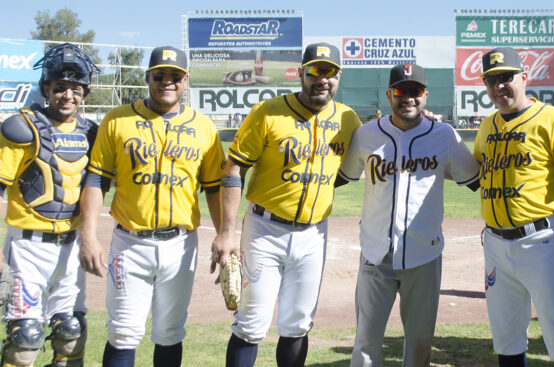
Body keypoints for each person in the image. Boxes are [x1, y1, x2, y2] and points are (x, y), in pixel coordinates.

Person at [209, 42, 361, 367]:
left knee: (298, 324)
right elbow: (234, 168)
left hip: (313, 235)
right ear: (302, 73)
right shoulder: (268, 112)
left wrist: (425, 118)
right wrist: (227, 232)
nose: (323, 78)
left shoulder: (348, 119)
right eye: (316, 70)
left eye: (330, 71)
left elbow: (358, 163)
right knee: (250, 324)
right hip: (264, 230)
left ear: (338, 76)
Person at [78, 46, 224, 367]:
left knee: (170, 332)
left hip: (180, 244)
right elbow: (96, 180)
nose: (167, 82)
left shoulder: (203, 126)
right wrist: (88, 236)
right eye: (159, 75)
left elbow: (214, 188)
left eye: (175, 76)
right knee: (123, 333)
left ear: (185, 80)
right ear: (148, 77)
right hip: (129, 243)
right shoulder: (118, 119)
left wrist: (225, 234)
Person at [337, 63, 480, 366]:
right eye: (402, 91)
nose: (409, 98)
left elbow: (474, 178)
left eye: (415, 91)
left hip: (423, 256)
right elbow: (344, 175)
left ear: (425, 95)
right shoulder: (366, 135)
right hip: (375, 253)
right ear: (389, 94)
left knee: (420, 342)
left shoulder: (444, 135)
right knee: (365, 342)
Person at [473, 46, 554, 366]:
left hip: (541, 241)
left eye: (506, 77)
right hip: (495, 243)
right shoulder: (488, 125)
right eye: (491, 80)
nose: (499, 85)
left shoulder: (552, 120)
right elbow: (473, 172)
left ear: (524, 78)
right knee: (505, 339)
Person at [0, 43, 99, 367]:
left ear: (84, 92)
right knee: (25, 336)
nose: (67, 96)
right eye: (59, 88)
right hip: (27, 248)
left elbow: (93, 190)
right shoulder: (22, 128)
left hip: (70, 249)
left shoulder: (91, 133)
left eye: (75, 88)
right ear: (46, 88)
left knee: (71, 331)